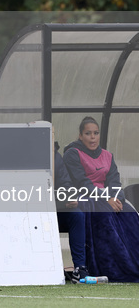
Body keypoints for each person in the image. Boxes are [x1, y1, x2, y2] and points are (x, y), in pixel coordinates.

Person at [63, 116, 139, 282]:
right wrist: (106, 199)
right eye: (88, 133)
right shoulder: (72, 154)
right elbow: (82, 183)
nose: (92, 137)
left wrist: (117, 198)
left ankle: (133, 264)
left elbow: (115, 181)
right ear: (80, 136)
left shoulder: (107, 156)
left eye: (95, 133)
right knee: (104, 215)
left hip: (108, 197)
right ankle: (112, 268)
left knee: (129, 213)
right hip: (85, 197)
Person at [54, 142, 88, 283]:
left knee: (77, 215)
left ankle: (80, 268)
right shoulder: (25, 156)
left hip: (56, 211)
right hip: (33, 212)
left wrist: (69, 196)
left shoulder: (55, 156)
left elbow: (66, 183)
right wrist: (61, 201)